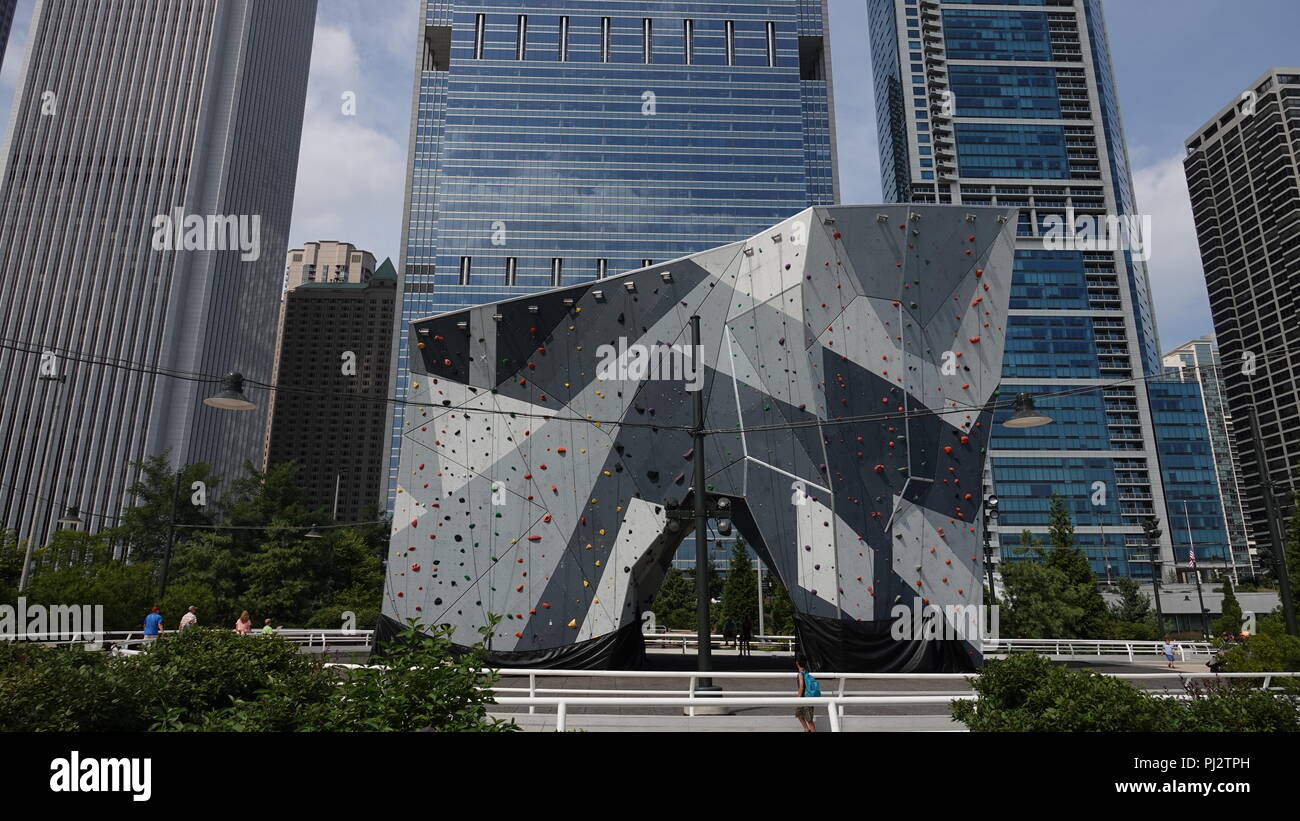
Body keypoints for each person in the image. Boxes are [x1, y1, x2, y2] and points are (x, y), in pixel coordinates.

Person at [795, 657, 819, 732]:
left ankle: (807, 729)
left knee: (809, 721)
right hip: (808, 698)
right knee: (799, 714)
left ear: (797, 663)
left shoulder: (800, 674)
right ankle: (806, 729)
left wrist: (798, 699)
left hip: (804, 699)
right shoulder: (806, 672)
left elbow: (801, 686)